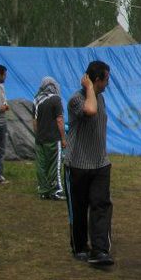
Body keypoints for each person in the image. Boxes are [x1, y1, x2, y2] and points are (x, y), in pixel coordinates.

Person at [65, 60, 114, 266]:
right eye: (106, 79)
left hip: (100, 164)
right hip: (77, 165)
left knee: (101, 206)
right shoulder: (76, 99)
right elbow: (90, 110)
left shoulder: (100, 98)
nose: (108, 83)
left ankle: (100, 250)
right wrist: (88, 88)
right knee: (79, 208)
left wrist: (92, 90)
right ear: (96, 80)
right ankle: (80, 246)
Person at [33, 76, 66, 200]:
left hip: (40, 138)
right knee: (55, 164)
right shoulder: (56, 99)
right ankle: (56, 190)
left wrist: (38, 135)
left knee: (41, 165)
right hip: (53, 138)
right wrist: (63, 138)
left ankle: (43, 190)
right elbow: (60, 120)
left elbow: (34, 122)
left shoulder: (37, 99)